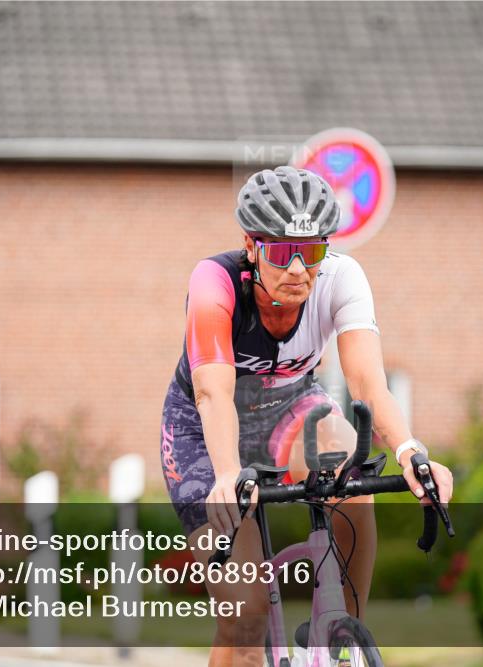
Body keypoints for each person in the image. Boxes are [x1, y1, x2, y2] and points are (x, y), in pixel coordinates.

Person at [159, 166, 454, 666]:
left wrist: (409, 452)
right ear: (251, 246)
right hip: (205, 430)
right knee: (246, 617)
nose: (298, 269)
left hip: (290, 410)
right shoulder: (214, 282)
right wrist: (228, 474)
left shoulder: (341, 277)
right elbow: (212, 393)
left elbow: (368, 384)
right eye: (281, 252)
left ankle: (344, 632)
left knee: (349, 466)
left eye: (312, 251)